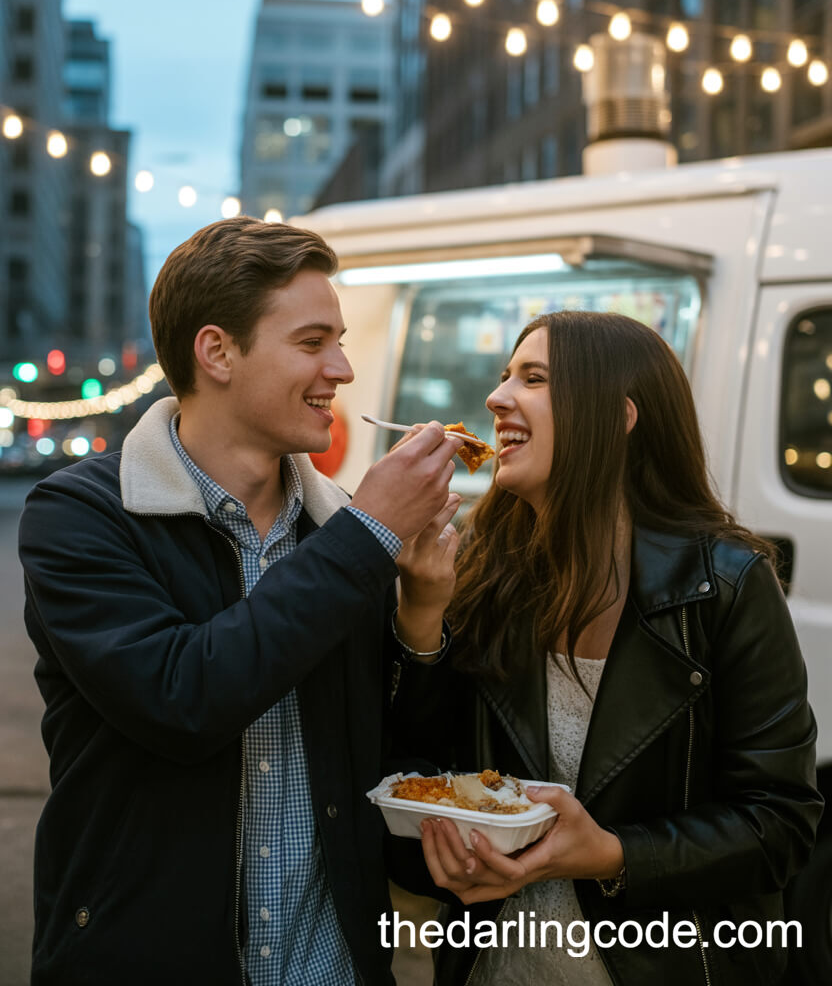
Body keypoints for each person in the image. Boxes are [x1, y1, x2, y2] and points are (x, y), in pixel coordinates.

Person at [19, 216, 463, 986]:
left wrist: (421, 618)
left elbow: (393, 762)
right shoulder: (81, 514)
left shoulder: (340, 530)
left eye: (340, 340)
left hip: (333, 966)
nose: (344, 368)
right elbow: (182, 698)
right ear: (217, 351)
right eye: (313, 341)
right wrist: (368, 534)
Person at [391, 310, 822, 985]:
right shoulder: (476, 569)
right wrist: (419, 617)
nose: (496, 397)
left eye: (533, 379)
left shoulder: (726, 586)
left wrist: (614, 855)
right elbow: (419, 771)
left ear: (619, 417)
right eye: (505, 376)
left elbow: (781, 825)